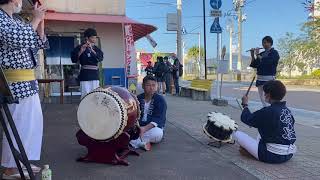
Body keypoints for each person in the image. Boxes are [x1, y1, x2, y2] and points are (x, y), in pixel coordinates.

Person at [0, 0, 48, 178]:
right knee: (18, 125)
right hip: (14, 83)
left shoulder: (17, 21)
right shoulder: (1, 19)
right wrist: (35, 19)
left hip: (28, 81)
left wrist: (40, 23)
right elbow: (16, 39)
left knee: (32, 124)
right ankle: (11, 167)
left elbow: (36, 45)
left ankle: (22, 160)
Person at [233, 80, 297, 164]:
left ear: (268, 95)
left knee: (237, 134)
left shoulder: (268, 111)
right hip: (289, 154)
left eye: (265, 93)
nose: (264, 95)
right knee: (261, 133)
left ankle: (255, 154)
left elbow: (247, 118)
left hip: (271, 155)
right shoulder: (287, 111)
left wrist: (245, 104)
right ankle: (254, 151)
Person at [130, 75, 167, 151]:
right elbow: (133, 115)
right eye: (148, 85)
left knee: (158, 133)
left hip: (152, 128)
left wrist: (144, 129)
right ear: (143, 86)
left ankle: (134, 142)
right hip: (138, 127)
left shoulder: (160, 100)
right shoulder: (138, 98)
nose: (151, 88)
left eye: (153, 85)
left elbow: (159, 119)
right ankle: (141, 143)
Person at [71, 28, 104, 98]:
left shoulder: (96, 49)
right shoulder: (79, 47)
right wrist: (81, 51)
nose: (94, 39)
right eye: (93, 37)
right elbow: (74, 60)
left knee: (95, 95)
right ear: (87, 38)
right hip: (85, 75)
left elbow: (100, 58)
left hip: (94, 75)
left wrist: (92, 50)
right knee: (85, 96)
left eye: (95, 37)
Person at [249, 36, 280, 107]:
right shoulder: (261, 54)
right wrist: (252, 55)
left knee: (269, 97)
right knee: (262, 98)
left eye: (265, 42)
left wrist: (257, 55)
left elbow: (268, 61)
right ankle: (266, 109)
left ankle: (270, 110)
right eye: (263, 43)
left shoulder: (274, 53)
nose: (263, 44)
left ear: (270, 43)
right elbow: (254, 65)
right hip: (260, 78)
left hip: (269, 78)